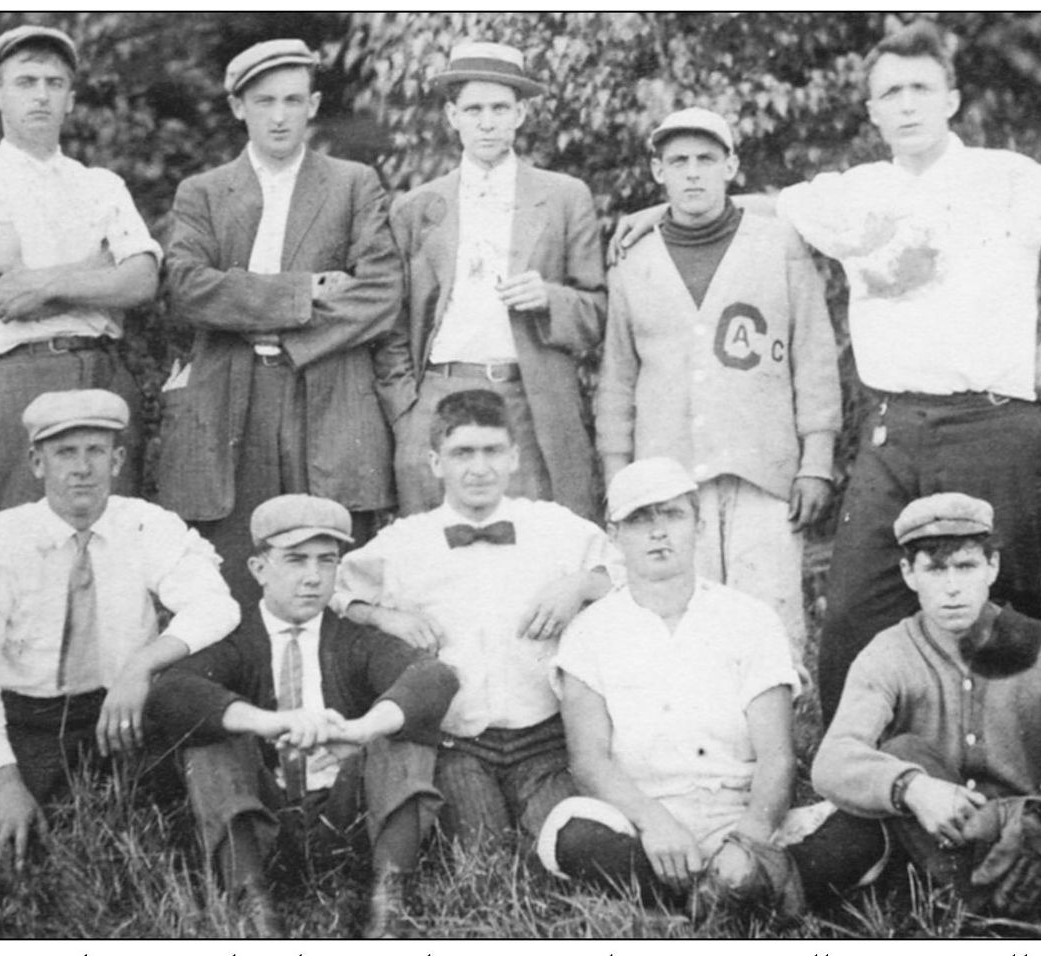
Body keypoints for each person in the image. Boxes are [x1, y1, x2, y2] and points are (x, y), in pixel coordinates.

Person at [613, 20, 1041, 721]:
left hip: (993, 426)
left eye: (920, 88)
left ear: (951, 100)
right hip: (892, 430)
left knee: (1002, 614)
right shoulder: (855, 191)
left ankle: (1015, 785)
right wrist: (664, 206)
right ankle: (858, 784)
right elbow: (763, 205)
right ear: (870, 111)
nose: (905, 104)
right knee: (853, 617)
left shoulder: (1005, 178)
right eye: (889, 92)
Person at [802, 492, 1041, 918]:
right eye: (935, 568)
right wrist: (914, 788)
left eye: (966, 566)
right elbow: (832, 761)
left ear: (992, 567)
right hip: (934, 845)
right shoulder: (888, 654)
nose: (952, 588)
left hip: (1033, 845)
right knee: (900, 754)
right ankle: (981, 916)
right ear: (909, 573)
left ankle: (995, 913)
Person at [0, 389, 240, 871]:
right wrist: (6, 785)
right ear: (37, 463)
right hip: (29, 718)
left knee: (166, 841)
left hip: (119, 710)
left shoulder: (143, 524)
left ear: (117, 460)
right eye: (65, 453)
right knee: (7, 860)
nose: (82, 468)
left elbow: (215, 605)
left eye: (95, 451)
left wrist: (140, 666)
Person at [596, 107, 841, 681]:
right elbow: (617, 377)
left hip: (764, 466)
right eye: (678, 161)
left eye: (707, 159)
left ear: (732, 165)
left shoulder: (778, 242)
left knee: (770, 615)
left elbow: (813, 351)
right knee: (681, 617)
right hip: (668, 471)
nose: (693, 173)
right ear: (658, 172)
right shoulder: (634, 258)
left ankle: (778, 753)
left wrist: (818, 460)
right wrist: (618, 479)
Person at [159, 38, 402, 608]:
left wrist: (265, 322)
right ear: (238, 107)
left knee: (333, 561)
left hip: (327, 392)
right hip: (231, 398)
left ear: (314, 106)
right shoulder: (204, 193)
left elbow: (381, 290)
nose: (279, 115)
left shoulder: (352, 184)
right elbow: (188, 288)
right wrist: (302, 292)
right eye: (264, 100)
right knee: (240, 568)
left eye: (293, 100)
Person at [538, 458, 836, 923]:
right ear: (614, 537)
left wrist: (749, 839)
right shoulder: (590, 632)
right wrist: (655, 823)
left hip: (741, 813)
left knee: (861, 834)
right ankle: (742, 898)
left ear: (697, 525)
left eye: (672, 515)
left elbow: (778, 755)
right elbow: (589, 760)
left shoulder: (750, 618)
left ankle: (687, 899)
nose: (658, 532)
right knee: (569, 834)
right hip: (644, 824)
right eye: (640, 519)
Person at [147, 494, 458, 938]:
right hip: (264, 822)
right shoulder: (236, 638)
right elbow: (171, 693)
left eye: (327, 561)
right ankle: (252, 904)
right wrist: (267, 721)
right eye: (295, 560)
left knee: (405, 725)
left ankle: (389, 899)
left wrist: (362, 728)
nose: (313, 578)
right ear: (258, 569)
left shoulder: (353, 639)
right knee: (211, 733)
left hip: (346, 818)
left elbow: (433, 676)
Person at [333, 388, 619, 847]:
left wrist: (581, 585)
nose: (479, 467)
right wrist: (382, 616)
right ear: (435, 463)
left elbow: (627, 574)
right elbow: (335, 591)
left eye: (492, 451)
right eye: (462, 453)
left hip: (544, 738)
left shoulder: (555, 526)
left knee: (570, 846)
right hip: (459, 742)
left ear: (514, 457)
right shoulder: (406, 541)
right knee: (483, 852)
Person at [0, 25, 161, 530]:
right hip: (18, 379)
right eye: (25, 81)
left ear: (71, 99)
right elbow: (11, 290)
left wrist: (47, 281)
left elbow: (142, 281)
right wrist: (100, 271)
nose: (40, 95)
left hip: (104, 375)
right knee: (16, 553)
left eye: (54, 83)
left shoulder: (101, 184)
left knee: (115, 548)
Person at [379, 41, 606, 521]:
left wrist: (551, 298)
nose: (487, 122)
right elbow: (390, 322)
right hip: (438, 394)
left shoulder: (564, 197)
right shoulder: (417, 207)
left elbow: (597, 314)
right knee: (435, 546)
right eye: (474, 109)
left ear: (521, 113)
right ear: (451, 115)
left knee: (534, 541)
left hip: (527, 396)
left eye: (500, 108)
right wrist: (407, 409)